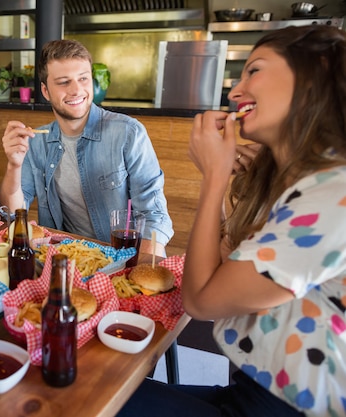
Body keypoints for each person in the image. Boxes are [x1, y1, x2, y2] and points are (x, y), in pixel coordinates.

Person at [118, 24, 346, 417]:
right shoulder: (304, 183)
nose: (235, 93)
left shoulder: (333, 196)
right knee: (108, 390)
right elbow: (224, 260)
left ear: (317, 72)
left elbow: (202, 300)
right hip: (253, 388)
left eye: (254, 70)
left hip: (289, 408)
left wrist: (213, 177)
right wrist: (226, 186)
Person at [0, 39, 173, 257]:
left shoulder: (128, 133)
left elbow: (153, 215)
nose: (77, 90)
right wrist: (14, 165)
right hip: (63, 258)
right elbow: (14, 213)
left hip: (121, 258)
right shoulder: (37, 142)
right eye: (63, 82)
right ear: (45, 91)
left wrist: (139, 270)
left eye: (83, 79)